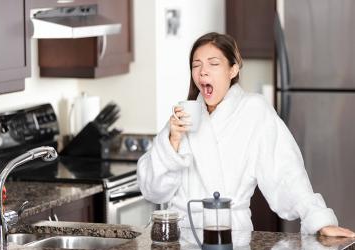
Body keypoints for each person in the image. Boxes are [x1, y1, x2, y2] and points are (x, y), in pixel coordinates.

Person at [137, 32, 355, 237]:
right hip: (181, 239)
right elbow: (153, 191)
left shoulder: (254, 111)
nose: (203, 71)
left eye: (213, 64)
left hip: (232, 238)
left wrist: (319, 220)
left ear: (232, 70)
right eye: (196, 65)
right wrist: (172, 141)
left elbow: (287, 173)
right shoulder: (183, 118)